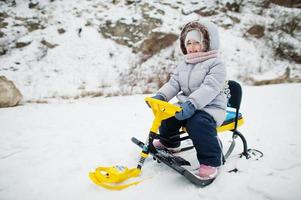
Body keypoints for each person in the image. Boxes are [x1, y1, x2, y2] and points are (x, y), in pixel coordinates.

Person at [151, 19, 227, 180]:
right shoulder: (185, 63)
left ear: (207, 43)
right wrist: (161, 96)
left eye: (196, 43)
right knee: (167, 115)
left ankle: (211, 161)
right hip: (186, 105)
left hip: (210, 107)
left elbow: (210, 88)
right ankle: (170, 143)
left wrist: (192, 103)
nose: (191, 47)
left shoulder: (216, 64)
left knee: (197, 123)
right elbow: (174, 83)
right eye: (188, 43)